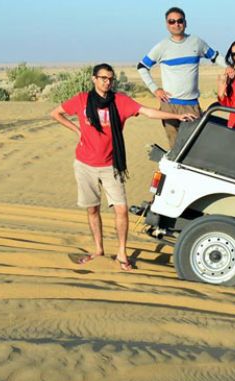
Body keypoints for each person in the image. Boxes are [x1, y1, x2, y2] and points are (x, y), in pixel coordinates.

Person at [50, 63, 197, 271]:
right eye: (103, 78)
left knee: (121, 209)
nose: (107, 82)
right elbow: (56, 113)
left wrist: (176, 116)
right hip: (84, 164)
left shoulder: (120, 101)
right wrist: (76, 130)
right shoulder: (82, 99)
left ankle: (121, 253)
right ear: (94, 79)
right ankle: (99, 250)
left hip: (112, 165)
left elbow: (147, 112)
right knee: (92, 209)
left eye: (110, 79)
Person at [137, 7, 227, 148]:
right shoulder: (162, 47)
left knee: (196, 146)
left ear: (185, 22)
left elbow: (215, 56)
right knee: (175, 148)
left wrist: (229, 67)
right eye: (171, 21)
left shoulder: (197, 42)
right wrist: (155, 89)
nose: (176, 24)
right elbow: (142, 67)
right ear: (167, 25)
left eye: (179, 21)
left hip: (191, 105)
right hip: (169, 106)